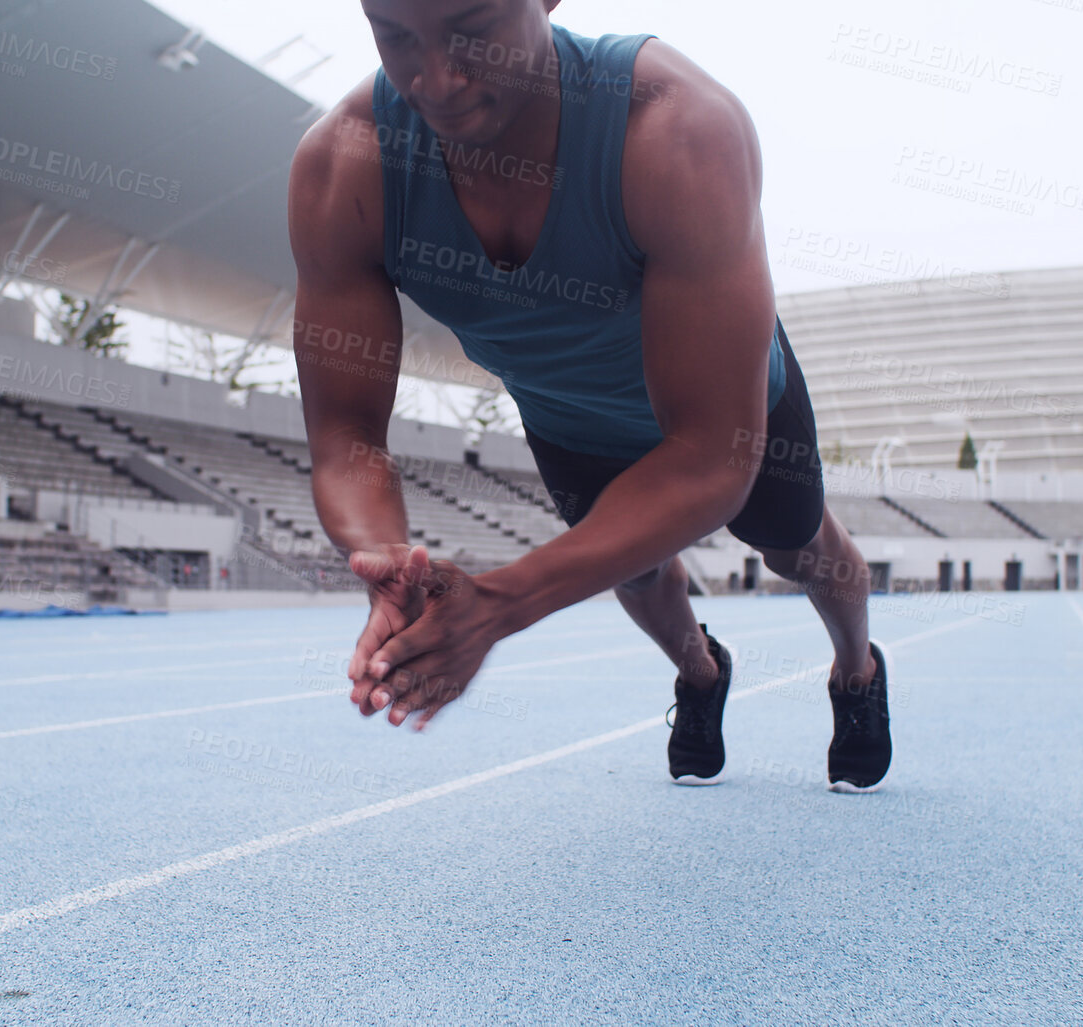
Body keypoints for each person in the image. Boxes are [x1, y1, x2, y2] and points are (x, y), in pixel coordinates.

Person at [287, 0, 890, 790]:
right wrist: (385, 557)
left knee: (798, 549)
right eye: (395, 35)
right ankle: (701, 673)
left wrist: (501, 602)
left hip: (729, 417)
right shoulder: (345, 166)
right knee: (636, 572)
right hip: (570, 419)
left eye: (471, 28)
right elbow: (345, 439)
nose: (435, 78)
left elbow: (710, 457)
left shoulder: (678, 132)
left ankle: (855, 669)